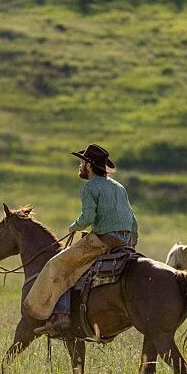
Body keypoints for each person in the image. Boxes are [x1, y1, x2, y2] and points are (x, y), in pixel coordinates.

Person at [31, 144, 139, 336]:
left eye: (82, 162)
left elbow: (88, 218)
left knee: (60, 265)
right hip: (126, 239)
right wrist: (131, 241)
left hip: (104, 240)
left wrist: (74, 226)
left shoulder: (89, 187)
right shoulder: (119, 187)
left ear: (89, 166)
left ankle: (62, 315)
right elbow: (133, 219)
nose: (80, 166)